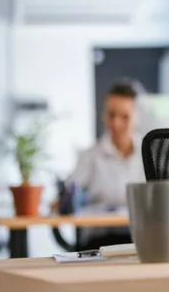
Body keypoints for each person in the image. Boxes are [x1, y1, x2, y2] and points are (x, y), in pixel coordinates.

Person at [67, 80, 146, 249]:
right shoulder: (90, 156)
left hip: (141, 240)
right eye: (111, 115)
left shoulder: (150, 155)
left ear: (136, 117)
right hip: (99, 242)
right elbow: (69, 192)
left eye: (124, 117)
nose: (116, 123)